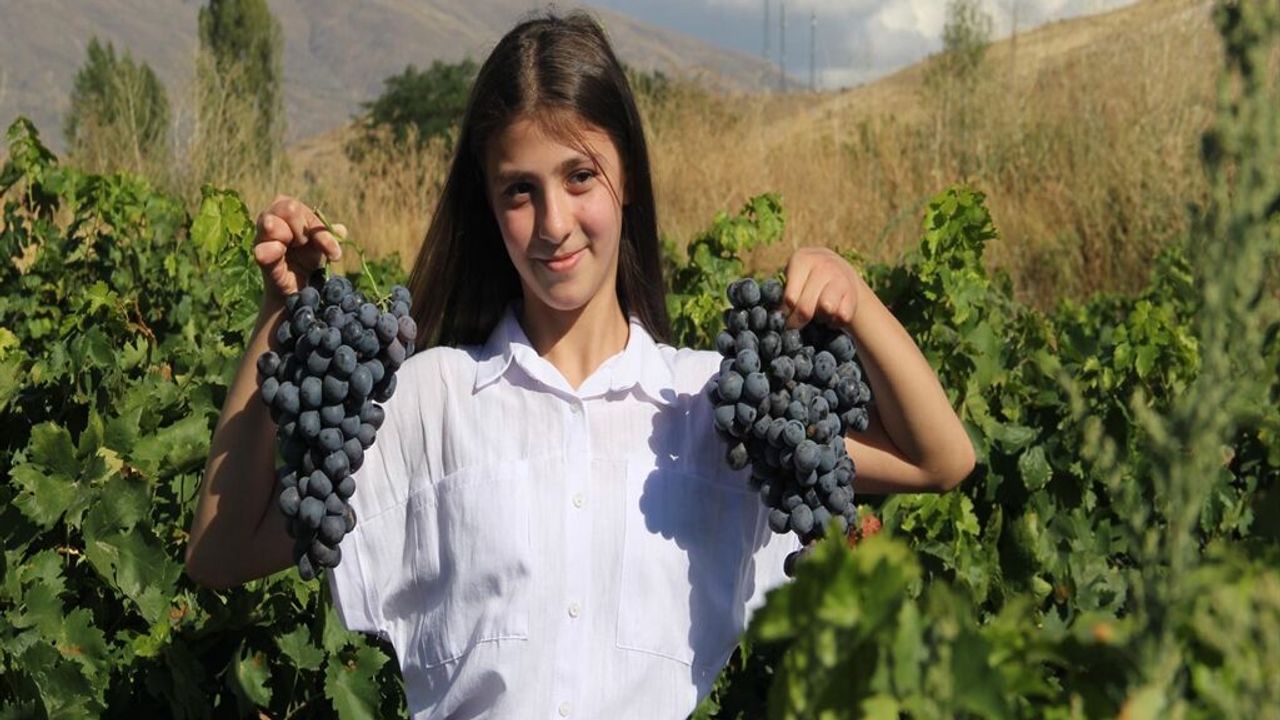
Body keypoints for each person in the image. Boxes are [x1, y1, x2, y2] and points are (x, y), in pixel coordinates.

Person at [185, 10, 975, 719]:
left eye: (580, 176)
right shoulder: (429, 401)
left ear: (627, 178)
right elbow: (221, 554)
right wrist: (282, 313)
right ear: (488, 206)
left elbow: (939, 459)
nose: (554, 223)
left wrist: (854, 298)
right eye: (519, 191)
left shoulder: (712, 409)